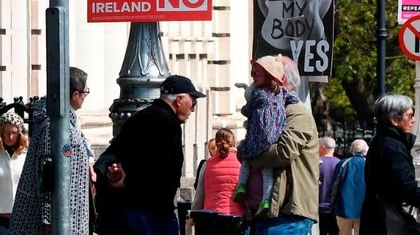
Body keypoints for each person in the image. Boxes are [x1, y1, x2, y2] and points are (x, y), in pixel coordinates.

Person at [94, 74, 206, 235]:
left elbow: (111, 157)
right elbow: (162, 171)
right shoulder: (169, 124)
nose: (193, 109)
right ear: (179, 100)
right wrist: (129, 182)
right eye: (193, 101)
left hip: (124, 214)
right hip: (153, 216)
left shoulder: (138, 118)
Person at [10, 67, 92, 235]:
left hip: (67, 218)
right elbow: (46, 171)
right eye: (86, 91)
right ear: (75, 95)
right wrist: (48, 219)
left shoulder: (66, 123)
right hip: (50, 224)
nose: (86, 96)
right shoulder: (53, 126)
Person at [359, 94, 420, 234]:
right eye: (409, 116)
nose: (413, 120)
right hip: (388, 222)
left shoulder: (383, 142)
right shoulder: (393, 147)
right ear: (394, 120)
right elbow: (405, 186)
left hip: (378, 219)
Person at [246, 72, 320, 234]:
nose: (253, 80)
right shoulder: (265, 111)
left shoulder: (297, 113)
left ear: (280, 80)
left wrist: (251, 156)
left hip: (286, 215)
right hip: (263, 213)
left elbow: (284, 151)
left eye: (259, 75)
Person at [234, 55, 299, 212]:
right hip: (273, 138)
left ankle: (241, 185)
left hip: (257, 136)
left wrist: (246, 107)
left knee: (247, 160)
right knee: (267, 170)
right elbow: (295, 98)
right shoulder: (282, 94)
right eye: (253, 73)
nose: (253, 76)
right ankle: (266, 200)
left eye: (257, 73)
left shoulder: (259, 94)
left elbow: (246, 110)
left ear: (269, 76)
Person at [191, 128, 244, 216]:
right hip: (236, 216)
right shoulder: (242, 162)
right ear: (234, 142)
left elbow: (200, 194)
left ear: (216, 143)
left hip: (211, 216)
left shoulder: (207, 164)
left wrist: (193, 214)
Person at [331, 139, 368, 235]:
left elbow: (334, 186)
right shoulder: (370, 165)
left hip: (343, 207)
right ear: (366, 150)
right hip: (364, 209)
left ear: (351, 150)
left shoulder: (343, 163)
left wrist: (332, 203)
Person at [0, 112, 28, 234]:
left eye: (14, 133)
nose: (10, 137)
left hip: (23, 218)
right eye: (6, 132)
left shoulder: (26, 156)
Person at [319, 136, 341, 235]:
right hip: (335, 205)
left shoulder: (317, 162)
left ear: (323, 147)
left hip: (319, 204)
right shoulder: (340, 163)